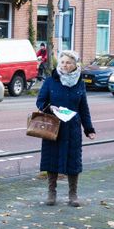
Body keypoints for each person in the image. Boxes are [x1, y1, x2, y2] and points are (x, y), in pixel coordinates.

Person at [35, 50, 95, 206]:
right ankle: (51, 193)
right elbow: (40, 101)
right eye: (62, 62)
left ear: (75, 64)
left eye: (68, 62)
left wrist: (89, 129)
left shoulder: (80, 83)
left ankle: (73, 195)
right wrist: (50, 108)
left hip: (72, 128)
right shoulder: (50, 81)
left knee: (73, 162)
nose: (65, 65)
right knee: (51, 159)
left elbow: (84, 108)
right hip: (54, 127)